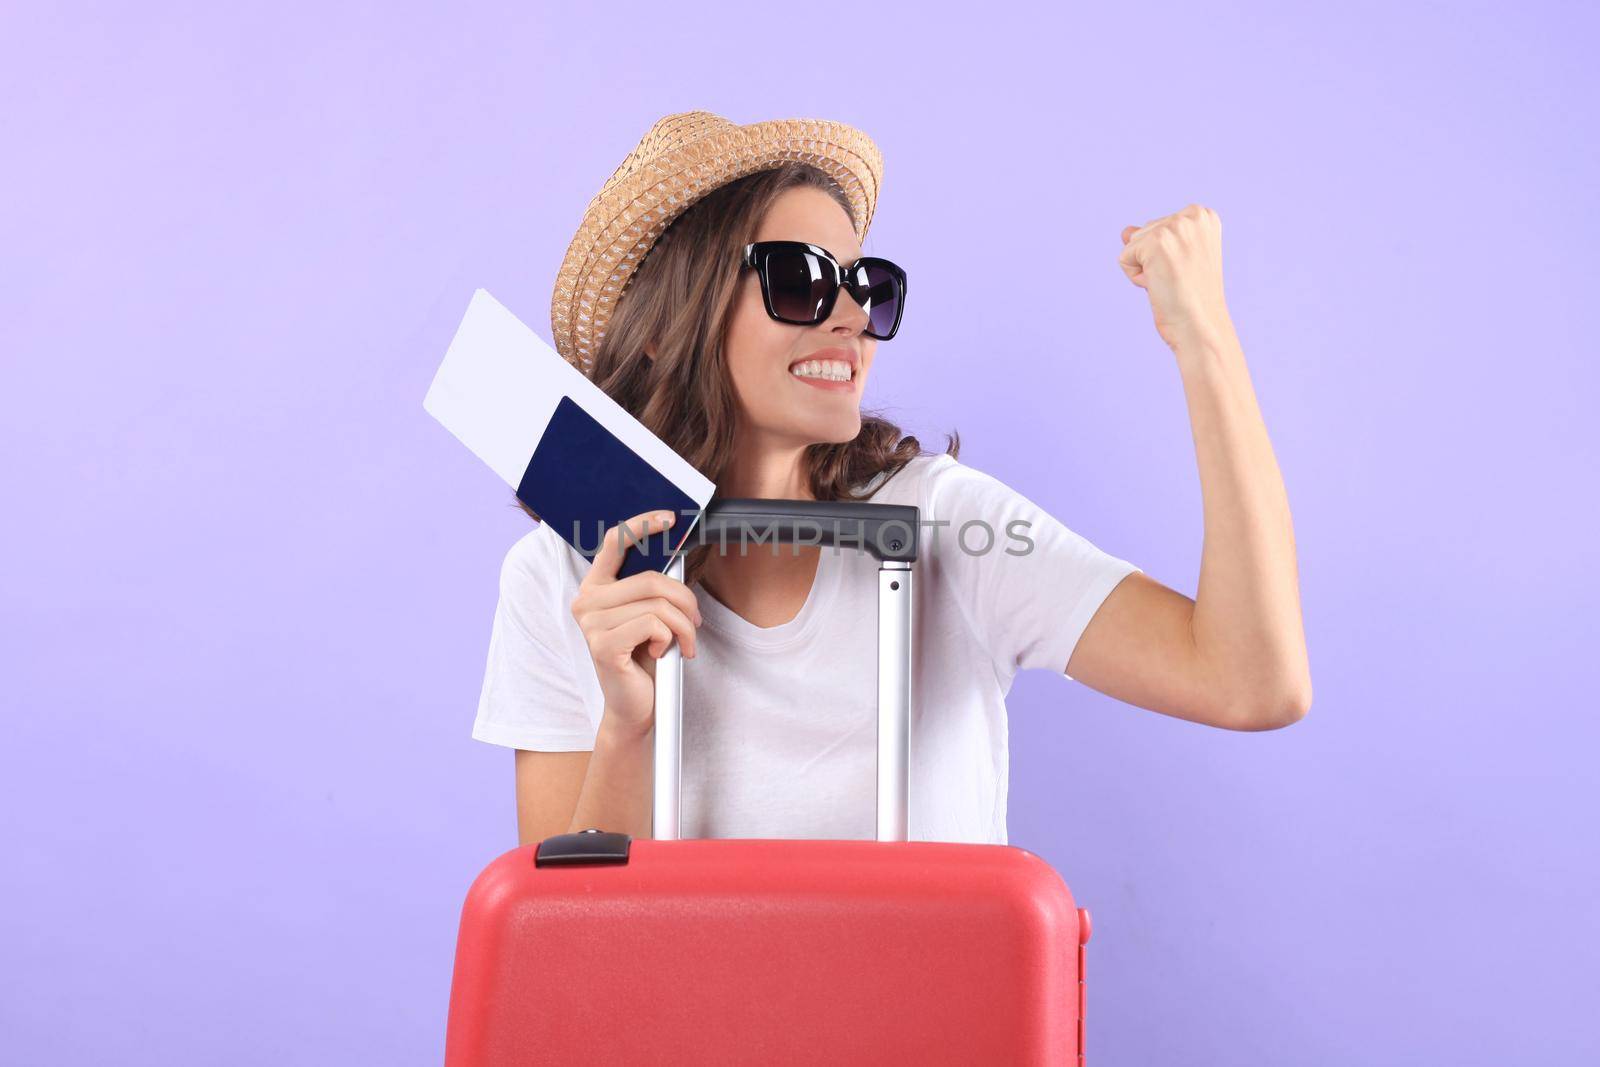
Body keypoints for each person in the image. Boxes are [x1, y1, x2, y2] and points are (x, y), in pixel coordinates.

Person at [471, 111, 1312, 846]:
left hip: (930, 1026)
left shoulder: (950, 524)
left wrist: (1203, 339)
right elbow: (567, 952)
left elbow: (1250, 680)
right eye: (797, 278)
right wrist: (628, 724)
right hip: (694, 1029)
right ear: (667, 324)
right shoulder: (561, 578)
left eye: (865, 286)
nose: (850, 317)